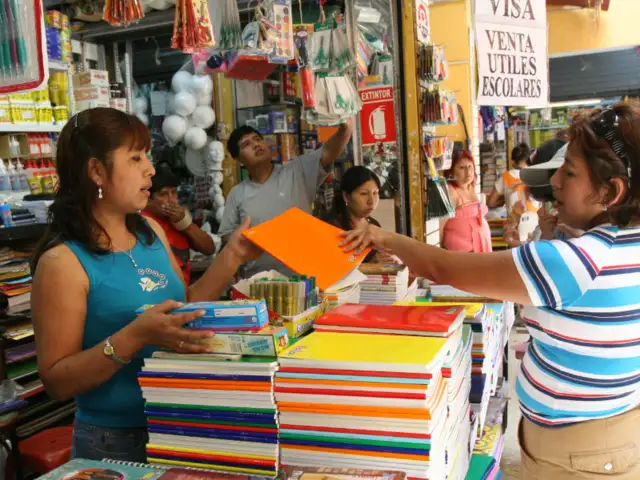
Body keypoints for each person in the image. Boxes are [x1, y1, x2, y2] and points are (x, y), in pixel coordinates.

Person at [343, 102, 640, 479]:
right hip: (611, 432)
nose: (555, 184)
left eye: (570, 173)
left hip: (578, 453)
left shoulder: (577, 261)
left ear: (610, 191)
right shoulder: (620, 244)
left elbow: (442, 267)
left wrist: (383, 235)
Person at [30, 108, 260, 462]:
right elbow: (57, 381)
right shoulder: (62, 263)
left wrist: (231, 256)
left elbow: (183, 308)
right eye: (135, 157)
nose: (150, 168)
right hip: (113, 441)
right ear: (96, 172)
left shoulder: (150, 232)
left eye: (148, 156)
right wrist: (134, 336)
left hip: (182, 422)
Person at [219, 122, 353, 277]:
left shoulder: (297, 171)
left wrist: (345, 126)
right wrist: (253, 239)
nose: (256, 145)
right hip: (259, 281)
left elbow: (330, 151)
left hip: (304, 277)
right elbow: (227, 236)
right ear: (239, 160)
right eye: (246, 144)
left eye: (257, 139)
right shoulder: (237, 194)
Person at [142, 164, 215, 284]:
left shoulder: (178, 222)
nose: (171, 200)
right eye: (164, 194)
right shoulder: (139, 223)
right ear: (148, 199)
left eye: (174, 192)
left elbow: (209, 248)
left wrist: (185, 224)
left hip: (183, 296)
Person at [323, 166, 396, 264]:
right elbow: (332, 264)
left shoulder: (374, 224)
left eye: (375, 193)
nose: (371, 201)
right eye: (364, 194)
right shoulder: (333, 227)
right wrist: (368, 265)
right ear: (346, 196)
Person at [440, 150, 492, 253]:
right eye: (462, 167)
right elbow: (440, 226)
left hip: (480, 248)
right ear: (451, 172)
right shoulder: (451, 191)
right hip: (462, 253)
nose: (468, 172)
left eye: (470, 166)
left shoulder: (470, 187)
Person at [487, 142, 538, 213]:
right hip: (534, 220)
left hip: (514, 221)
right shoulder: (535, 176)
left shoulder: (505, 177)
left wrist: (505, 198)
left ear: (513, 161)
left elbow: (491, 202)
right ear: (528, 160)